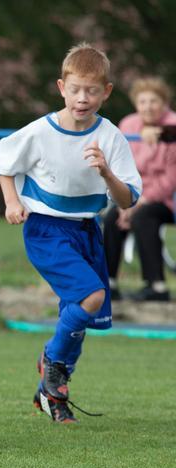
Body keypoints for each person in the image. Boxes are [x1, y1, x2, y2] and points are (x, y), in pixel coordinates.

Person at [0, 43, 142, 424]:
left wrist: (106, 172)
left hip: (87, 231)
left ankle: (51, 395)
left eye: (92, 91)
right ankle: (52, 360)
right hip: (46, 230)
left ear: (106, 92)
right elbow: (3, 162)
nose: (82, 98)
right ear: (62, 87)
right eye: (75, 89)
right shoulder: (41, 132)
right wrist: (11, 202)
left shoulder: (111, 138)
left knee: (79, 317)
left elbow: (127, 199)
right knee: (92, 296)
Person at [103, 77, 176, 302]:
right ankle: (109, 283)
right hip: (133, 194)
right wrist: (126, 203)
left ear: (164, 103)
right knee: (112, 218)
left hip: (166, 198)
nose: (148, 107)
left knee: (144, 217)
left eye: (154, 101)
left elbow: (171, 178)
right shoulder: (128, 125)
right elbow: (123, 167)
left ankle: (157, 286)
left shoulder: (172, 125)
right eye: (143, 102)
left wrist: (139, 201)